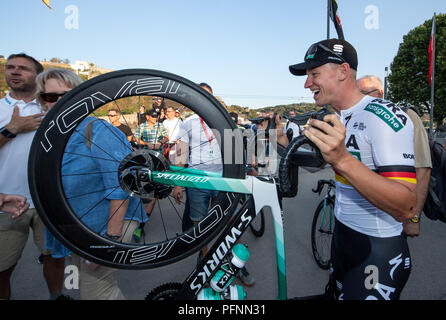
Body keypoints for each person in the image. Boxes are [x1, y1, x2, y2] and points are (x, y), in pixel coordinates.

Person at [287, 39, 417, 300]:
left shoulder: (382, 116)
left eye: (314, 74)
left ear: (343, 72)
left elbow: (406, 206)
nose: (307, 83)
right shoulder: (333, 116)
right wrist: (285, 146)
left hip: (377, 249)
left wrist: (343, 159)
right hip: (342, 236)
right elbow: (318, 165)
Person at [37, 68, 147, 299]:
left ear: (80, 97)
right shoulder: (52, 133)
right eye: (50, 96)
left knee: (97, 292)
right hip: (77, 225)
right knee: (87, 288)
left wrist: (108, 241)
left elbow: (121, 184)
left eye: (66, 95)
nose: (58, 102)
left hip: (107, 226)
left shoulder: (98, 129)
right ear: (42, 100)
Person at [172, 82, 255, 286]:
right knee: (199, 225)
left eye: (207, 96)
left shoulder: (223, 119)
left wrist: (242, 177)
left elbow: (235, 149)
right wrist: (177, 184)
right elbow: (181, 154)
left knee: (230, 222)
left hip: (224, 179)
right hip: (198, 180)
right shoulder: (187, 123)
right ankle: (205, 261)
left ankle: (237, 264)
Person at [0, 53, 50, 300]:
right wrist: (12, 129)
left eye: (23, 68)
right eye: (10, 67)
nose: (15, 72)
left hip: (48, 200)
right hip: (6, 202)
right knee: (2, 269)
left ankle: (57, 295)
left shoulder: (51, 107)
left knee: (54, 258)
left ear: (38, 75)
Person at [357, 75, 431, 237]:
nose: (359, 98)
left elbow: (423, 168)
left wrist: (414, 219)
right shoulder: (356, 119)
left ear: (380, 93)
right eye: (357, 93)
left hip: (393, 217)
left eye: (364, 92)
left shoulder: (405, 116)